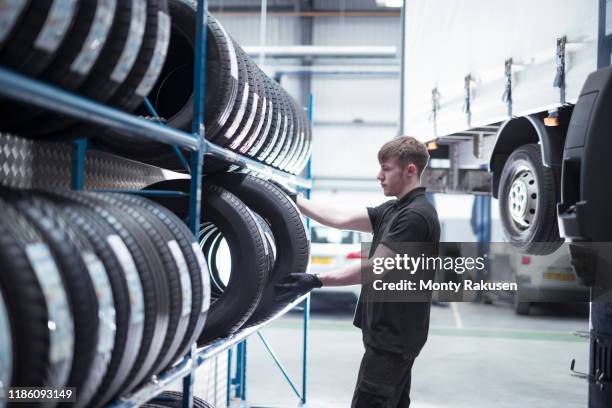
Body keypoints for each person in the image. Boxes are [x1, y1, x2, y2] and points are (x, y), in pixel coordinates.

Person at [276, 135, 441, 407]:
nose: (379, 176)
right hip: (388, 335)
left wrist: (316, 280)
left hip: (393, 339)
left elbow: (376, 268)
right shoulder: (395, 209)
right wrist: (293, 199)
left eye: (386, 169)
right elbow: (340, 220)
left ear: (410, 170)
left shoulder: (415, 216)